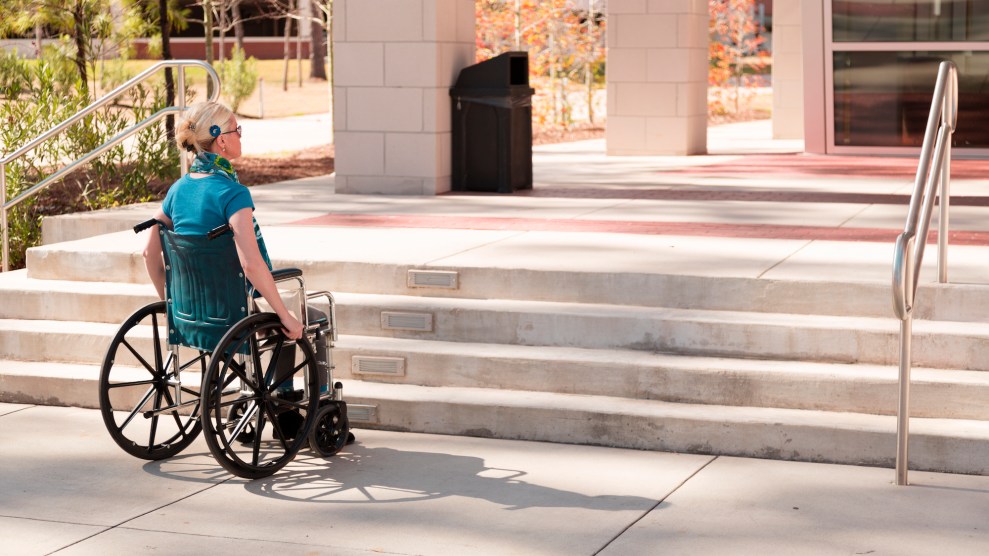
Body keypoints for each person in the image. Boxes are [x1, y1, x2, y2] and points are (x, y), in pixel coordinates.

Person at [142, 101, 305, 341]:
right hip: (233, 312)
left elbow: (148, 252)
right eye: (237, 130)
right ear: (222, 141)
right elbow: (250, 264)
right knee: (306, 320)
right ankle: (285, 380)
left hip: (190, 311)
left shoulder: (177, 191)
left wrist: (169, 303)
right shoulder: (233, 194)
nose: (240, 136)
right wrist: (285, 315)